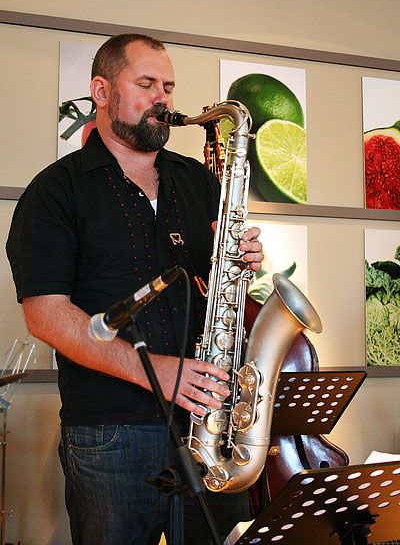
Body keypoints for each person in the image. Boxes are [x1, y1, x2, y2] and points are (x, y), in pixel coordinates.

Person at [6, 33, 263, 544]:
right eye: (145, 83)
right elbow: (47, 315)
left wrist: (245, 263)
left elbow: (216, 289)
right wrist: (157, 374)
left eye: (168, 86)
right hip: (111, 435)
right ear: (101, 92)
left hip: (211, 425)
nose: (163, 98)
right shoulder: (54, 191)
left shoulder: (198, 182)